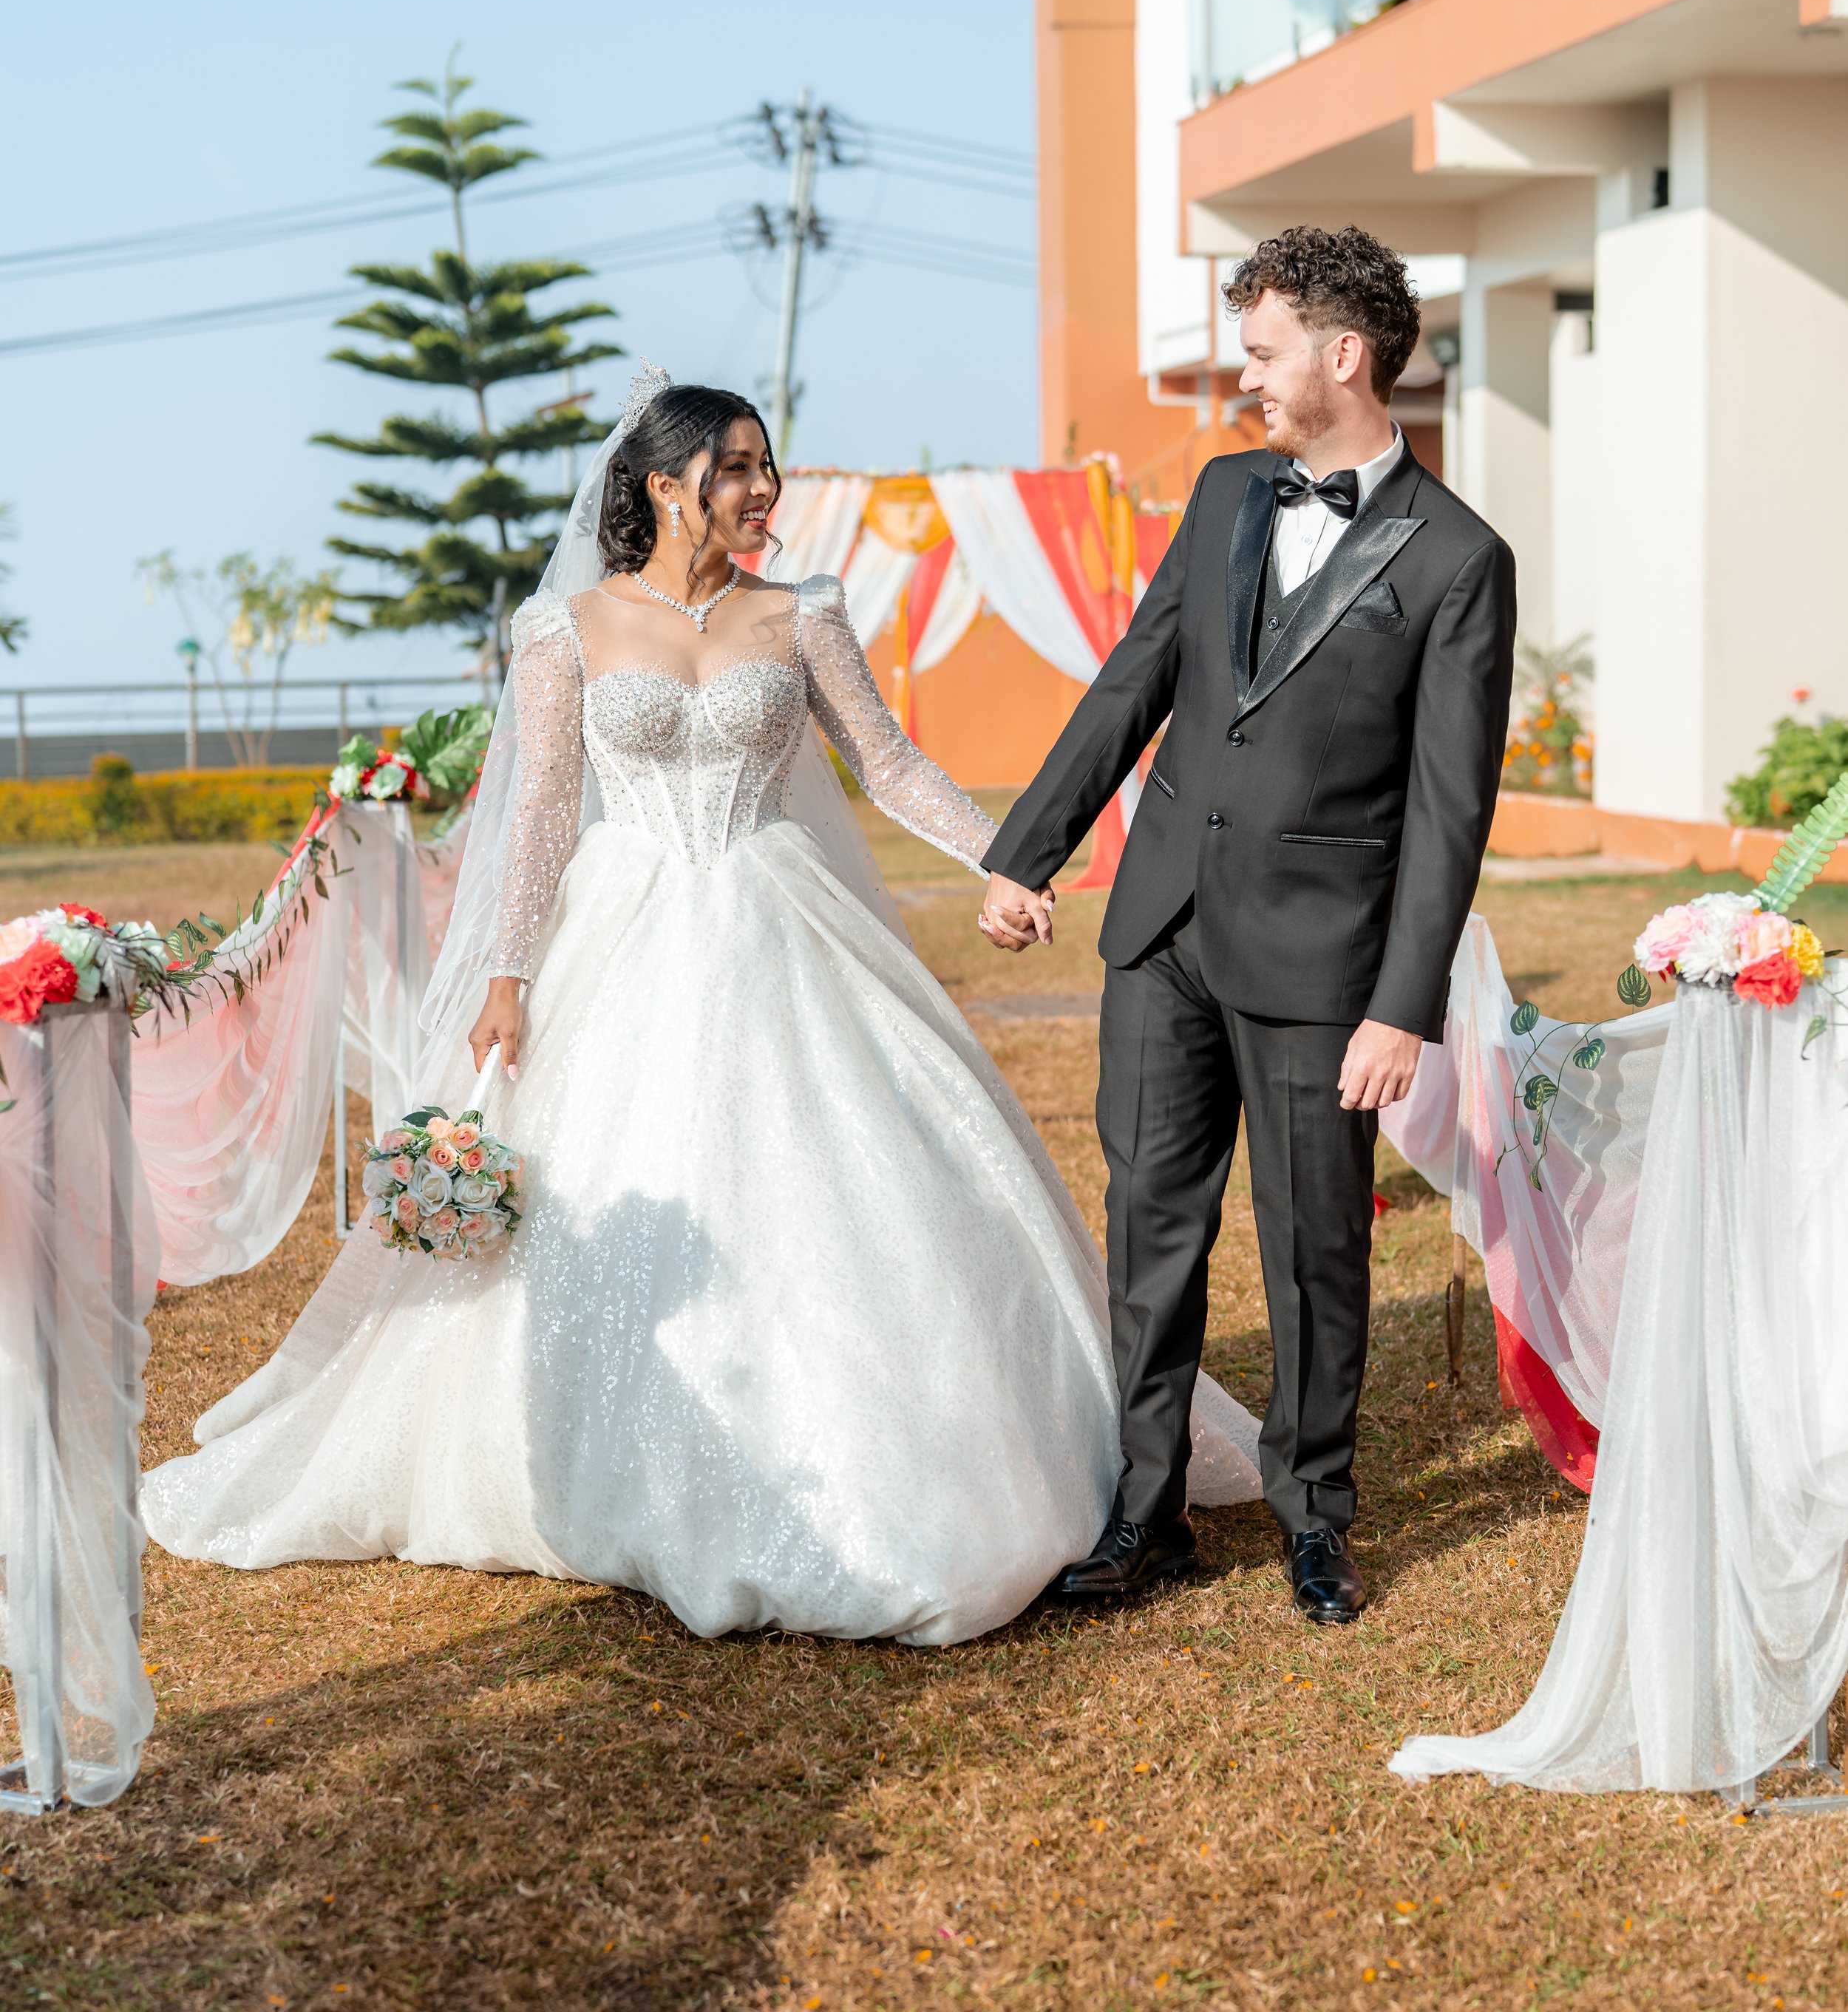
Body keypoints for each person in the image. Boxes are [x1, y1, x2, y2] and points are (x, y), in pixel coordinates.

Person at [142, 373, 1260, 1645]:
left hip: (779, 919)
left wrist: (1009, 859)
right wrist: (508, 976)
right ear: (665, 483)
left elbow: (886, 765)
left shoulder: (802, 614)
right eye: (735, 466)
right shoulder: (565, 629)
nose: (762, 488)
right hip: (622, 934)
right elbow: (546, 816)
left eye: (766, 465)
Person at [982, 227, 1516, 1624]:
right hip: (1160, 927)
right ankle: (1142, 1506)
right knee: (1151, 1225)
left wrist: (1403, 1004)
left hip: (1322, 962)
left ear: (1344, 355)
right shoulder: (1224, 496)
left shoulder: (1462, 559)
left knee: (1315, 1243)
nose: (1245, 378)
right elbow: (1133, 680)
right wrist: (1028, 851)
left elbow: (1451, 810)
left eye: (1264, 350)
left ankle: (1317, 1516)